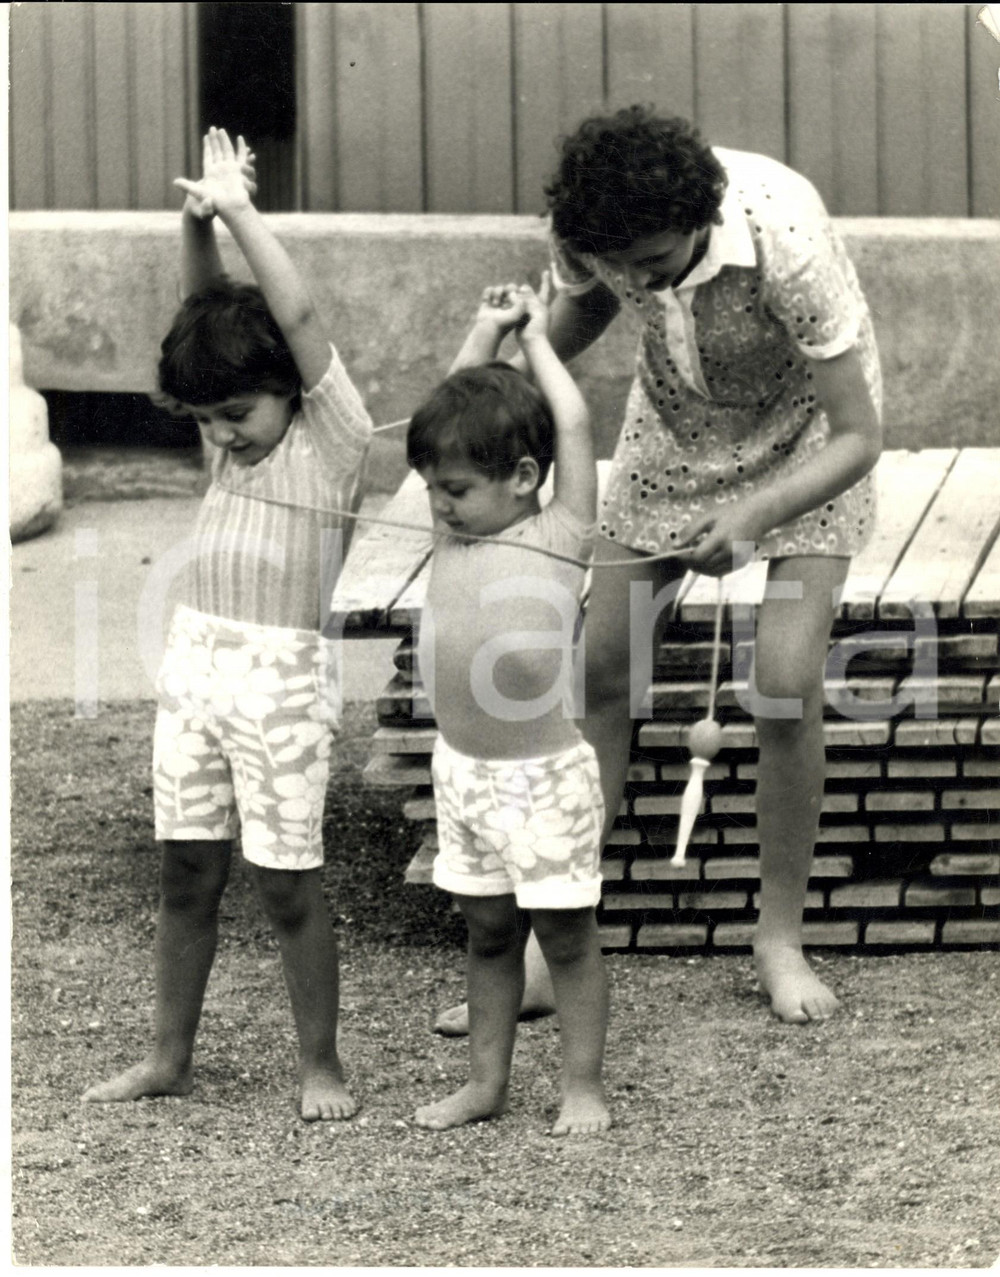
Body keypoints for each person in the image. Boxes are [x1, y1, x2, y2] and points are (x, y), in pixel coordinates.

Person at [436, 105, 882, 1033]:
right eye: (620, 262)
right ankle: (553, 942)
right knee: (601, 671)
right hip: (673, 434)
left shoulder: (783, 232)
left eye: (656, 259)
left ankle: (778, 937)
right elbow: (585, 312)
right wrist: (514, 346)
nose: (639, 278)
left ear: (706, 218)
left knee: (786, 684)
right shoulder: (599, 241)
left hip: (809, 439)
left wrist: (757, 517)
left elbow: (859, 435)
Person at [82, 128, 372, 1120]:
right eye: (205, 419)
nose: (220, 433)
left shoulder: (333, 442)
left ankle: (320, 1064)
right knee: (186, 871)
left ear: (293, 385)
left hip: (281, 678)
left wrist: (242, 210)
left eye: (236, 413)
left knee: (288, 882)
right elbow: (200, 317)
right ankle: (169, 1055)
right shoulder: (228, 446)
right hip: (196, 665)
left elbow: (295, 311)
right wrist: (193, 216)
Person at [408, 277, 610, 1136]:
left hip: (542, 778)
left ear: (525, 478)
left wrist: (535, 342)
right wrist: (482, 329)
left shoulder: (558, 531)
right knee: (487, 932)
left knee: (564, 938)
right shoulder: (451, 530)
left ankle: (583, 1084)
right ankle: (486, 1082)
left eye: (454, 486)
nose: (437, 500)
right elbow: (444, 407)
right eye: (432, 485)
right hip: (465, 773)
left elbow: (575, 427)